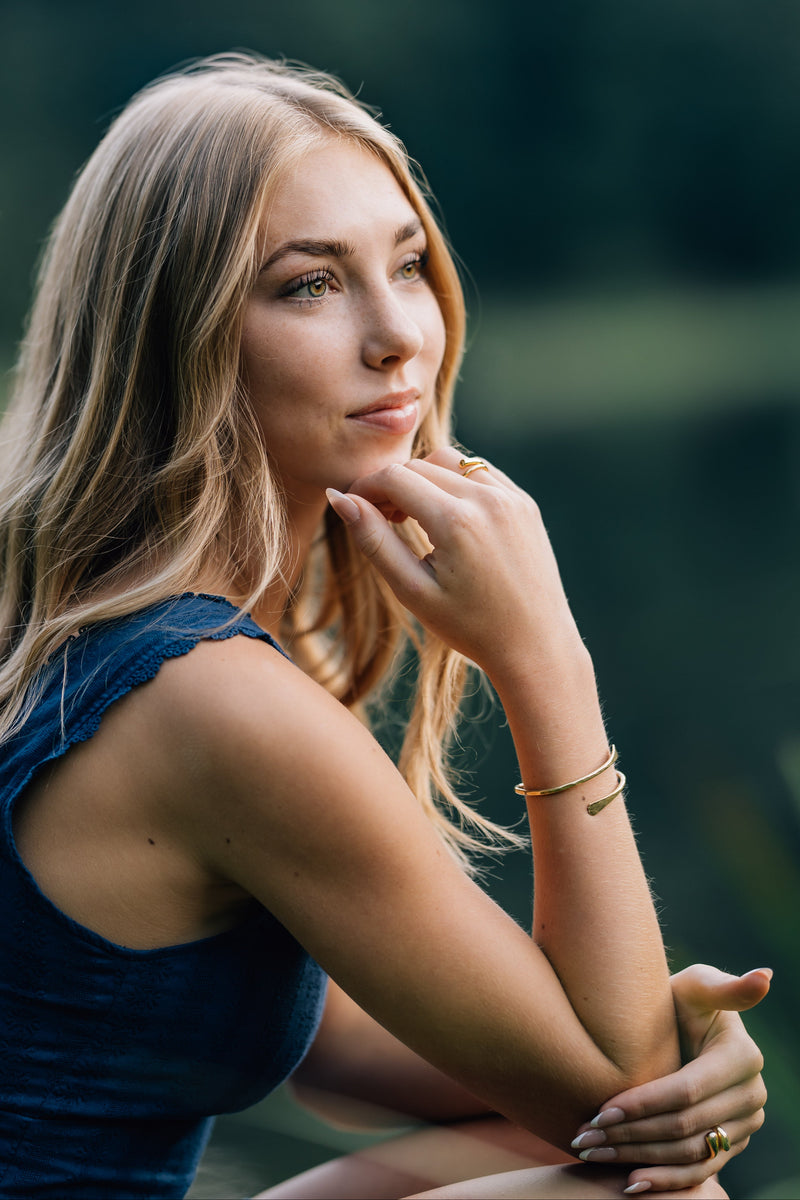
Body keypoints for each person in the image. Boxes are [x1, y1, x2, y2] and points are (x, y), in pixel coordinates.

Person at [0, 52, 767, 1200]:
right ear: (179, 333)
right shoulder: (208, 696)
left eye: (405, 266)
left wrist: (678, 1052)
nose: (397, 334)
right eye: (308, 284)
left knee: (568, 1144)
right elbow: (615, 1090)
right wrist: (545, 658)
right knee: (650, 1195)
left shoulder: (91, 620)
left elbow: (341, 1045)